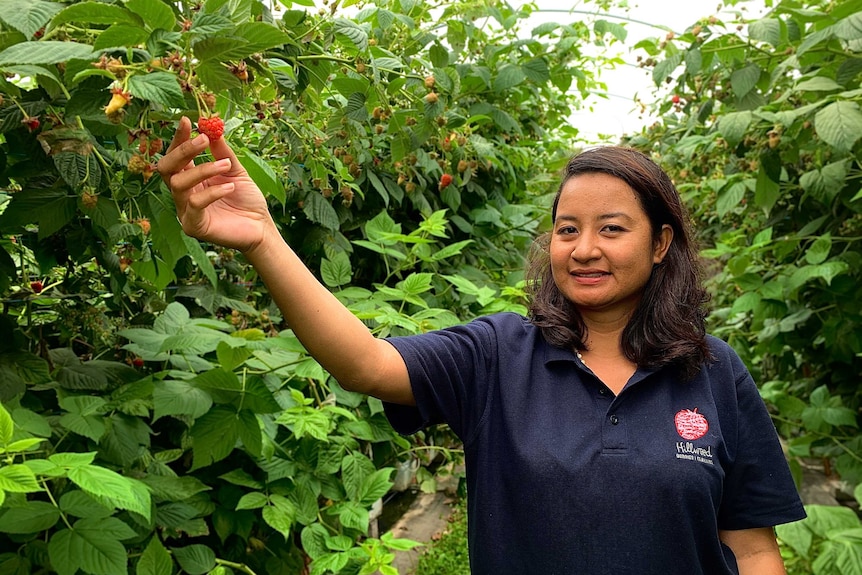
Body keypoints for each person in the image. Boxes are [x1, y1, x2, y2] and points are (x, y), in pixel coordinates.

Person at [158, 117, 806, 575]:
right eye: (567, 228)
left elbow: (750, 548)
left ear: (660, 243)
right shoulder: (501, 353)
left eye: (612, 229)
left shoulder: (713, 370)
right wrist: (263, 237)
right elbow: (364, 362)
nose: (583, 248)